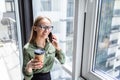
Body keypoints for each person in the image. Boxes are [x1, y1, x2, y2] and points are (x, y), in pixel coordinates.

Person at [22, 16, 65, 80]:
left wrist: (58, 48)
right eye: (43, 27)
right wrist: (29, 67)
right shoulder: (27, 49)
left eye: (49, 27)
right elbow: (27, 78)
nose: (47, 30)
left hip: (48, 77)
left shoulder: (52, 45)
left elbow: (62, 61)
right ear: (35, 28)